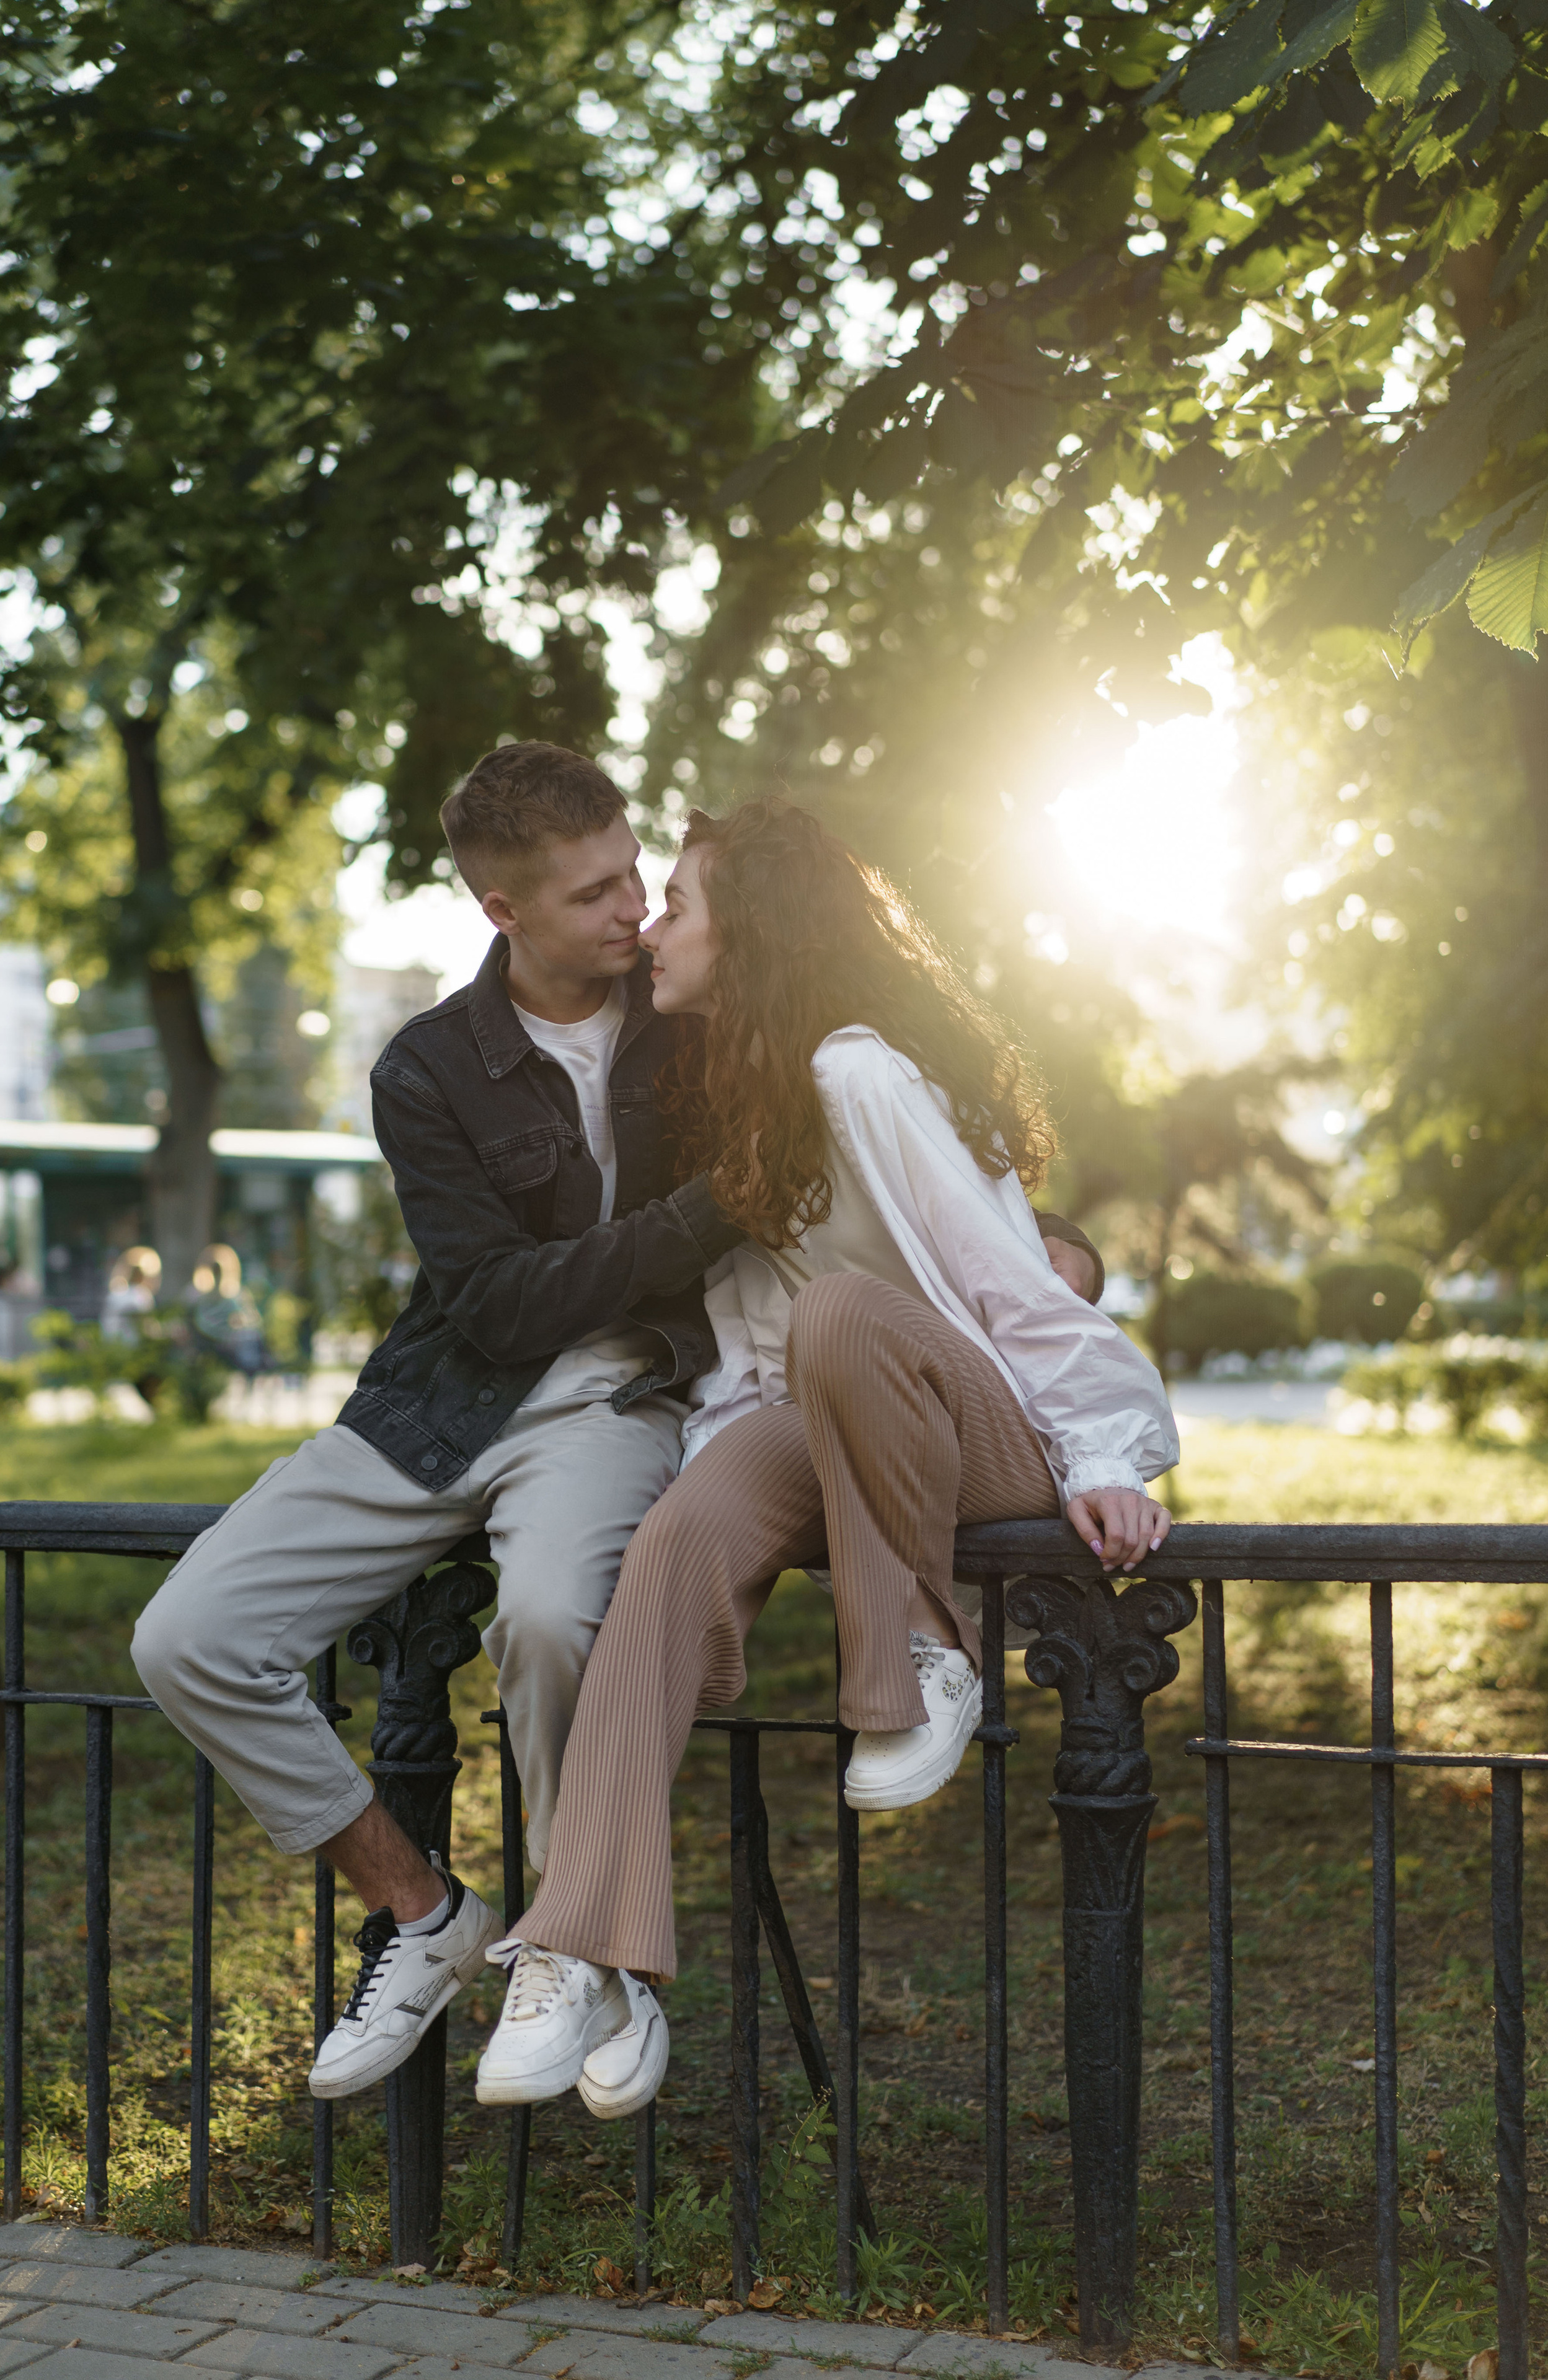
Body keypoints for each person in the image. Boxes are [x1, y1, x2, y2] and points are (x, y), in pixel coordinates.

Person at [130, 745, 1105, 2115]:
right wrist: (712, 1207)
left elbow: (902, 1145)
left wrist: (1055, 1254)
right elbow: (494, 1301)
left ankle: (592, 1947)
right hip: (443, 1396)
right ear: (500, 913)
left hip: (631, 1392)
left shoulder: (700, 1015)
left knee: (543, 1617)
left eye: (640, 877)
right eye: (594, 895)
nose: (636, 915)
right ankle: (424, 1920)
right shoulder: (426, 1069)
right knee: (186, 1638)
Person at [473, 798, 1177, 2118]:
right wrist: (730, 1490)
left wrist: (1102, 1453)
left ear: (757, 930)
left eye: (677, 902)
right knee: (681, 1534)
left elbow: (1012, 1289)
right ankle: (577, 1944)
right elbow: (749, 1343)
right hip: (824, 1418)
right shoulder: (734, 1099)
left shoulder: (856, 1067)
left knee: (841, 1316)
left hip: (975, 1429)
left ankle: (920, 1664)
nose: (651, 926)